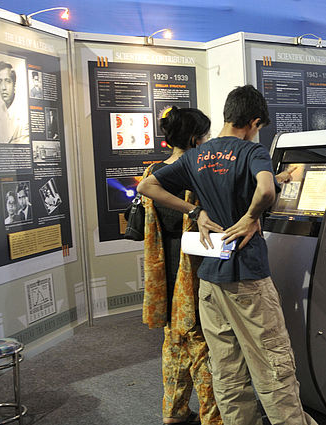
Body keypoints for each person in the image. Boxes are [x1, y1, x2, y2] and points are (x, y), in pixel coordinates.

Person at [137, 85, 317, 425]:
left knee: (227, 371)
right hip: (248, 277)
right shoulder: (252, 151)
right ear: (253, 121)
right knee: (273, 366)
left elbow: (147, 187)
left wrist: (195, 212)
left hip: (209, 280)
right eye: (259, 127)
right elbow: (264, 189)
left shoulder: (195, 156)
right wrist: (250, 218)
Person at [140, 107, 221, 425]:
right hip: (195, 273)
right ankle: (213, 417)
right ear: (194, 138)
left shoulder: (154, 172)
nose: (209, 140)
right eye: (206, 135)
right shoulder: (196, 173)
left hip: (164, 274)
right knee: (203, 345)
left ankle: (174, 411)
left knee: (174, 343)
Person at [0, 61, 29, 144]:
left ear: (14, 84)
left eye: (7, 81)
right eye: (0, 81)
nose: (3, 87)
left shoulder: (25, 114)